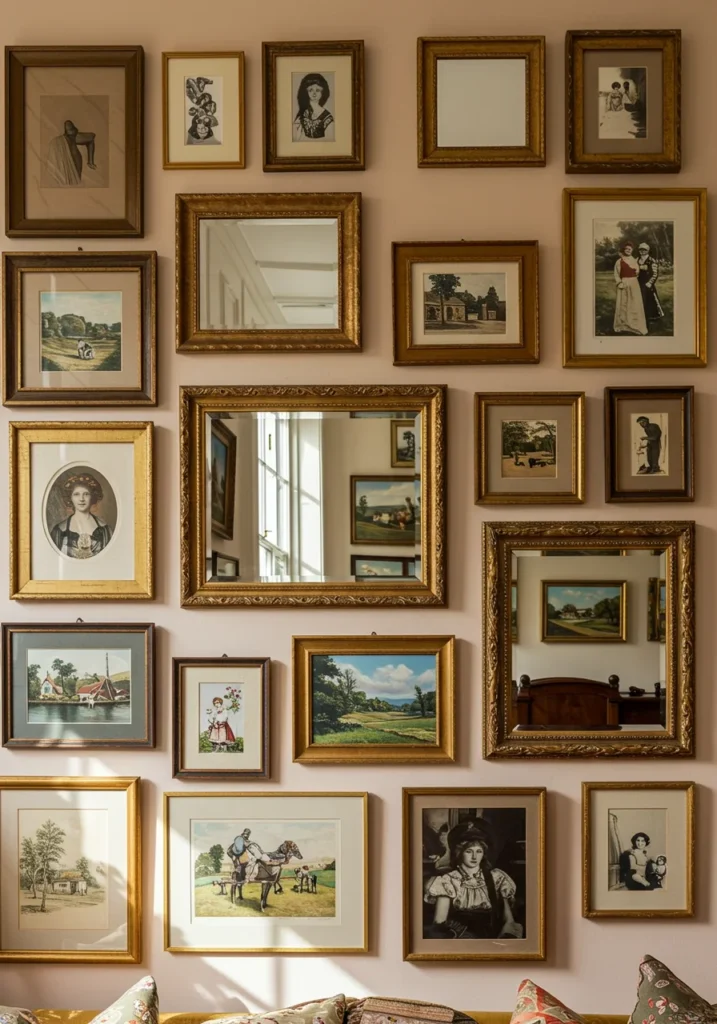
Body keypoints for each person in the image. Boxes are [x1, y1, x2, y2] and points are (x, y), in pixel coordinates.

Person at [424, 819, 523, 940]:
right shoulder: (448, 881)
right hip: (459, 941)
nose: (474, 857)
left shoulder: (497, 878)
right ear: (459, 852)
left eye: (479, 851)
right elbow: (439, 924)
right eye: (469, 851)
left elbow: (509, 921)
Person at [49, 473, 113, 559]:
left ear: (92, 497)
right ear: (70, 498)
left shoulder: (105, 531)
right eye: (76, 494)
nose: (81, 499)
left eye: (86, 494)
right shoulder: (59, 531)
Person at [46, 120, 97, 186]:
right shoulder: (59, 140)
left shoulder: (73, 137)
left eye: (71, 129)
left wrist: (90, 162)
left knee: (74, 183)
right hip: (67, 161)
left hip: (74, 161)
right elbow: (91, 137)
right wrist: (90, 162)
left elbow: (92, 137)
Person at [612, 242, 647, 336]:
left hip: (634, 283)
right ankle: (623, 325)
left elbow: (637, 272)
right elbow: (616, 274)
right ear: (624, 250)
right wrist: (619, 282)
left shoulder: (634, 260)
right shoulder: (619, 261)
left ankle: (635, 325)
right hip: (623, 283)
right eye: (626, 249)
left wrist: (634, 277)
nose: (628, 250)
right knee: (623, 303)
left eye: (630, 249)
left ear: (632, 250)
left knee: (634, 302)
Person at [293, 73, 334, 141]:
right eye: (311, 90)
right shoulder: (302, 114)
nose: (314, 94)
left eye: (317, 90)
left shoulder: (327, 117)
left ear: (323, 92)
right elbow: (296, 138)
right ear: (306, 92)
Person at [636, 243, 664, 325]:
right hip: (638, 283)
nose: (642, 251)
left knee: (650, 299)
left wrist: (650, 283)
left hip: (648, 283)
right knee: (639, 299)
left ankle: (652, 316)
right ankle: (639, 315)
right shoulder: (636, 260)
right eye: (641, 250)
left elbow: (655, 274)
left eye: (644, 250)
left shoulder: (652, 261)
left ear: (648, 250)